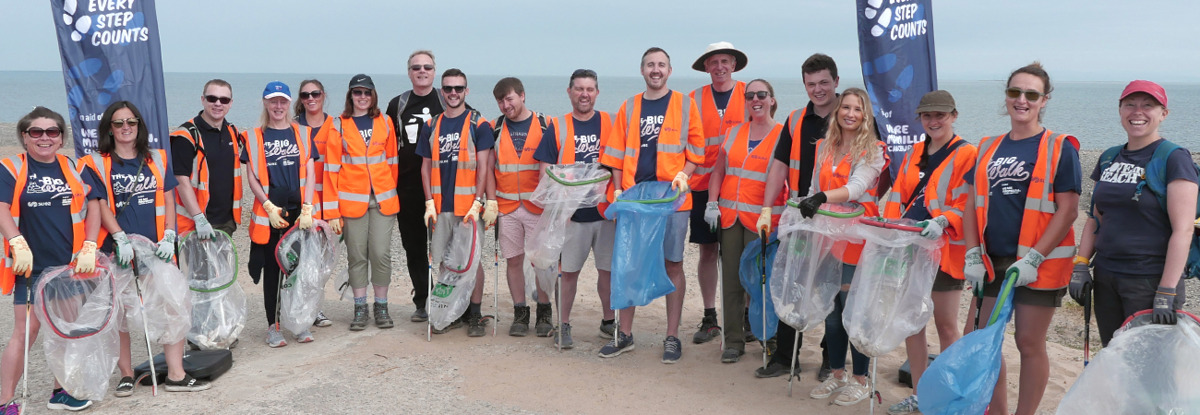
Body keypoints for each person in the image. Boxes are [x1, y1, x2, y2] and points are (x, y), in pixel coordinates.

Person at [962, 62, 1081, 415]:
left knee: (1028, 343)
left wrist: (1034, 258)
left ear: (1044, 100)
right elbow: (971, 205)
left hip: (1037, 265)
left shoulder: (1059, 146)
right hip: (992, 260)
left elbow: (1068, 210)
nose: (1022, 100)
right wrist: (972, 253)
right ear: (1007, 96)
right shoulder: (988, 146)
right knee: (980, 340)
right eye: (1015, 92)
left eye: (1031, 94)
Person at [79, 101, 212, 397]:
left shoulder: (157, 158)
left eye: (131, 121)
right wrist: (119, 237)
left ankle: (176, 374)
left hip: (156, 250)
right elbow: (99, 203)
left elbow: (168, 197)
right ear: (109, 129)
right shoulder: (95, 162)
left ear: (139, 125)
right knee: (120, 315)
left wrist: (169, 234)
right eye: (118, 123)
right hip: (118, 252)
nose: (125, 127)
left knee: (172, 306)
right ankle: (126, 375)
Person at [598, 47, 704, 364]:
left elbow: (696, 151)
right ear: (642, 70)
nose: (655, 69)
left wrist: (684, 175)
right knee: (629, 263)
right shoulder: (629, 106)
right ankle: (625, 334)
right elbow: (616, 154)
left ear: (669, 70)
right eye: (650, 65)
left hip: (672, 198)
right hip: (636, 197)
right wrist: (618, 190)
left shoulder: (685, 104)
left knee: (673, 264)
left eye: (661, 65)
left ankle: (672, 336)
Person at [1071, 80, 1195, 346]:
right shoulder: (1109, 157)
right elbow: (1095, 218)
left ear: (1163, 114)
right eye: (1130, 104)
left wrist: (1167, 290)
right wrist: (1080, 264)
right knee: (1116, 356)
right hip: (1106, 276)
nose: (1138, 112)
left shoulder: (1174, 158)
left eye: (1148, 105)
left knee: (1153, 363)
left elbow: (1183, 230)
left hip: (1149, 280)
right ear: (1120, 110)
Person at [880, 91, 978, 414]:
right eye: (927, 116)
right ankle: (920, 394)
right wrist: (890, 232)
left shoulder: (967, 154)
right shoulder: (915, 151)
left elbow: (969, 202)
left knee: (946, 325)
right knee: (913, 323)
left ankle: (948, 396)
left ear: (953, 115)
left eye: (940, 115)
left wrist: (944, 220)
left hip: (945, 250)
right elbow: (898, 194)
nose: (933, 121)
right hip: (911, 247)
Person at [0, 107, 103, 412]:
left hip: (68, 267)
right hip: (29, 267)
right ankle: (4, 400)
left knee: (66, 329)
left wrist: (90, 245)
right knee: (25, 333)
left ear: (61, 138)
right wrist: (15, 241)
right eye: (36, 132)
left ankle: (61, 390)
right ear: (25, 136)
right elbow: (1, 206)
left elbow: (95, 205)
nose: (44, 137)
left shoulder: (75, 167)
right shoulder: (11, 167)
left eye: (52, 132)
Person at [796, 88, 887, 406]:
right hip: (828, 238)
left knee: (854, 309)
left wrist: (821, 197)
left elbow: (856, 188)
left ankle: (861, 379)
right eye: (845, 107)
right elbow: (813, 187)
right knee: (831, 311)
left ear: (866, 116)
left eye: (857, 109)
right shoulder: (825, 147)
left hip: (857, 241)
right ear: (837, 112)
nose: (850, 114)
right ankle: (837, 374)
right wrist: (808, 207)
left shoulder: (873, 151)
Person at [758, 53, 841, 380]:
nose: (818, 89)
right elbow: (779, 166)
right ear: (804, 85)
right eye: (811, 84)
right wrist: (767, 208)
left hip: (838, 221)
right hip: (799, 218)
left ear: (836, 81)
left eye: (824, 83)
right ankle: (785, 357)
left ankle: (831, 360)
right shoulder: (794, 120)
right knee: (791, 284)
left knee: (832, 290)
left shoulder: (851, 115)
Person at [532, 69, 617, 348]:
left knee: (607, 272)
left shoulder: (611, 122)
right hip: (572, 217)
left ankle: (609, 322)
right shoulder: (558, 126)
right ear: (569, 92)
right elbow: (546, 172)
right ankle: (564, 324)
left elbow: (621, 164)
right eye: (579, 89)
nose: (584, 94)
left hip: (605, 214)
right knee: (568, 273)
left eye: (590, 89)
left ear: (597, 93)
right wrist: (559, 209)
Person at [704, 79, 787, 363]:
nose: (756, 100)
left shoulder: (782, 135)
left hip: (763, 221)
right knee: (731, 281)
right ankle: (733, 341)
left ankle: (769, 339)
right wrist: (712, 202)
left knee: (763, 282)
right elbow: (718, 172)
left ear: (772, 99)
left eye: (762, 94)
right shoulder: (733, 133)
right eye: (750, 95)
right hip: (730, 218)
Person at [417, 68, 495, 337]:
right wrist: (428, 201)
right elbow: (425, 167)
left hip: (468, 209)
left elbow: (484, 167)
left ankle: (474, 314)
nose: (453, 93)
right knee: (444, 261)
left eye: (458, 88)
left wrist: (478, 202)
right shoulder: (431, 125)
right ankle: (451, 313)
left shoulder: (478, 124)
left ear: (466, 91)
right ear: (442, 92)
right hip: (440, 208)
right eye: (448, 88)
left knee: (472, 262)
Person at [242, 81, 318, 346]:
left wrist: (308, 207)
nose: (278, 106)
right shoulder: (254, 136)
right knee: (273, 270)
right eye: (273, 101)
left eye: (282, 101)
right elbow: (251, 176)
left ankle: (299, 322)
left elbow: (310, 172)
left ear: (289, 103)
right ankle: (272, 326)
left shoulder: (303, 133)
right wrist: (267, 205)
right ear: (265, 103)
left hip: (299, 214)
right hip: (272, 213)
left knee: (298, 269)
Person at [324, 74, 400, 331]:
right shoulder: (338, 125)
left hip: (382, 202)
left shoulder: (385, 122)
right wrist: (332, 211)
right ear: (350, 96)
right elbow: (331, 171)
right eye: (357, 92)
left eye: (367, 92)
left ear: (373, 95)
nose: (363, 97)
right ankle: (360, 307)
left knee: (380, 254)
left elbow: (392, 162)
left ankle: (381, 306)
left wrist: (389, 191)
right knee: (357, 256)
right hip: (351, 203)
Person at [687, 41, 748, 345]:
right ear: (706, 67)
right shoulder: (693, 99)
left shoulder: (750, 94)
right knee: (708, 251)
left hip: (740, 186)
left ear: (734, 65)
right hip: (701, 186)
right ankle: (710, 316)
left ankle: (745, 316)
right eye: (714, 62)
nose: (720, 67)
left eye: (725, 61)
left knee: (742, 254)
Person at [487, 77, 556, 337]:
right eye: (500, 101)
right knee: (513, 260)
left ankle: (544, 312)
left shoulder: (546, 124)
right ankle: (520, 312)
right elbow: (489, 168)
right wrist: (490, 201)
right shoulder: (494, 128)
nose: (506, 105)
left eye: (510, 99)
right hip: (507, 207)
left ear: (522, 96)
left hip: (538, 207)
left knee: (542, 262)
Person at [385, 50, 447, 323]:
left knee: (446, 247)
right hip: (408, 189)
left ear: (434, 71)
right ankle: (423, 300)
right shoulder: (397, 105)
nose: (422, 71)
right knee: (415, 248)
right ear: (409, 72)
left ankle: (451, 300)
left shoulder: (447, 99)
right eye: (416, 67)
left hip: (444, 189)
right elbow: (387, 144)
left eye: (427, 67)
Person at [171, 79, 242, 239]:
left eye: (224, 100)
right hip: (194, 224)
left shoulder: (232, 131)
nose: (218, 104)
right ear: (203, 100)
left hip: (226, 222)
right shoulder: (186, 136)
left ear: (230, 103)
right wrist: (198, 218)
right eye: (212, 98)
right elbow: (180, 180)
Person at [294, 79, 335, 328]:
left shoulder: (335, 126)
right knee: (300, 259)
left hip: (328, 204)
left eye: (315, 93)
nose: (311, 98)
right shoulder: (292, 127)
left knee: (320, 260)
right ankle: (298, 307)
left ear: (323, 95)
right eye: (305, 94)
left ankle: (314, 307)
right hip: (301, 203)